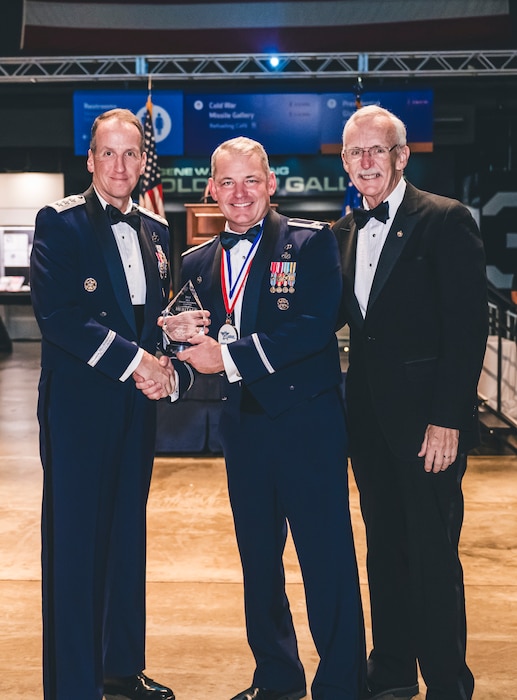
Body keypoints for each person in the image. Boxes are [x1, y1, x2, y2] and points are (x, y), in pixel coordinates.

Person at [172, 136, 366, 700]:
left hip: (308, 426)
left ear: (271, 184)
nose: (239, 194)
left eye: (250, 181)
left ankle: (340, 683)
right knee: (259, 564)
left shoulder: (309, 243)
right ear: (211, 189)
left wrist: (225, 356)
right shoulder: (195, 262)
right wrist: (176, 346)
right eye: (226, 182)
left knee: (325, 559)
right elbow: (197, 341)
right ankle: (277, 677)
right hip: (244, 432)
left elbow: (313, 325)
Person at [30, 108, 204, 700]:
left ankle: (120, 670)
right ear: (91, 159)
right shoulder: (60, 223)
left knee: (128, 538)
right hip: (79, 411)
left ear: (142, 161)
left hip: (135, 408)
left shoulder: (157, 231)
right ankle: (74, 685)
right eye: (109, 152)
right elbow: (60, 319)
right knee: (75, 547)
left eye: (131, 154)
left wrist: (171, 338)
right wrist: (141, 363)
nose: (122, 165)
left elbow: (147, 321)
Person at [331, 105, 488, 700]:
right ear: (344, 162)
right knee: (384, 553)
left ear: (402, 157)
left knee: (433, 558)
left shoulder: (446, 220)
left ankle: (448, 682)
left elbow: (466, 330)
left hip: (430, 430)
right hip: (369, 429)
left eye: (378, 150)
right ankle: (392, 669)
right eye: (355, 153)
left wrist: (449, 418)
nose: (366, 162)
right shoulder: (342, 235)